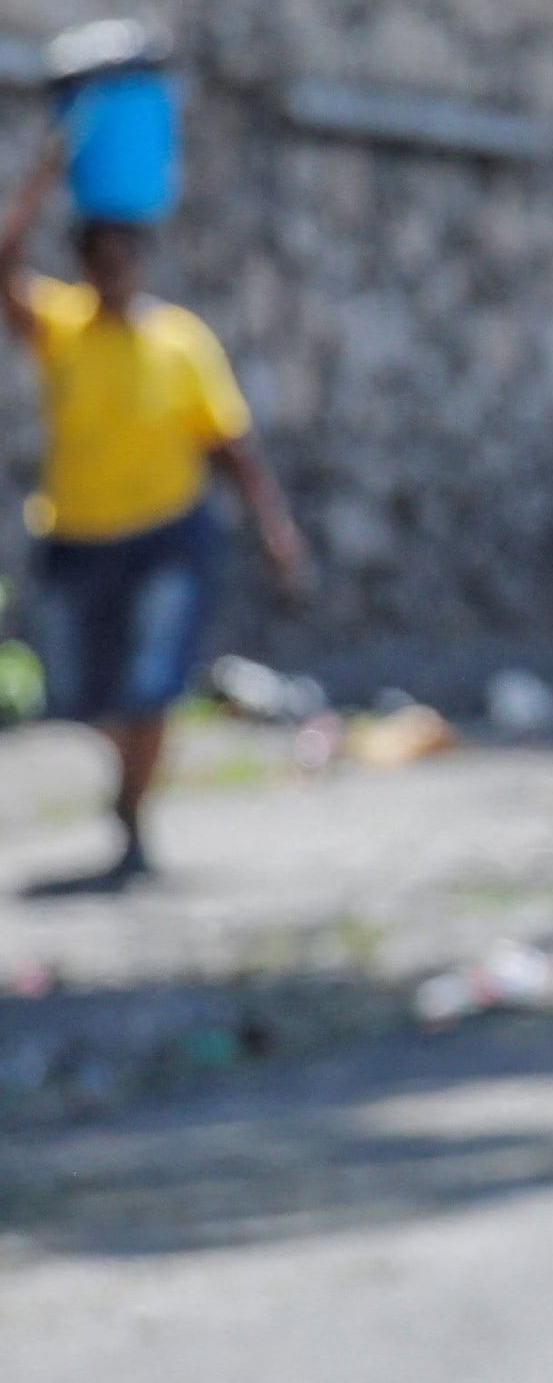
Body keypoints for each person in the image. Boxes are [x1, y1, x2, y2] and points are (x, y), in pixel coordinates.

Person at [9, 136, 310, 890]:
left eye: (125, 260)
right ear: (84, 268)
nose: (114, 274)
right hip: (77, 540)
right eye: (100, 261)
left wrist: (276, 530)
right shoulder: (61, 331)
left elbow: (230, 446)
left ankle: (134, 820)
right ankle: (130, 786)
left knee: (152, 683)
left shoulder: (179, 343)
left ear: (140, 264)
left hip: (168, 539)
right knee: (87, 693)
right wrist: (43, 177)